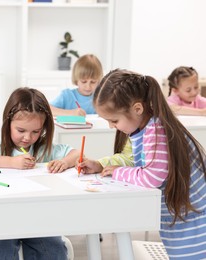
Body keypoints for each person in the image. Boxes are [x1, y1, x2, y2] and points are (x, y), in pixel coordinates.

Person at [88, 68, 206, 259]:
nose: (111, 126)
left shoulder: (156, 130)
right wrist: (102, 166)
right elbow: (141, 162)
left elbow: (152, 176)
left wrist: (118, 172)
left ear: (137, 109)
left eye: (114, 120)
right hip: (186, 218)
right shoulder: (149, 126)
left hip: (195, 225)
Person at [0, 87, 80, 260]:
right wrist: (12, 162)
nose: (28, 138)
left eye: (36, 131)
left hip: (37, 218)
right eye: (21, 130)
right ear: (8, 124)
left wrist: (64, 162)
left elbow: (76, 154)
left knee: (53, 249)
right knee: (1, 250)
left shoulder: (45, 149)